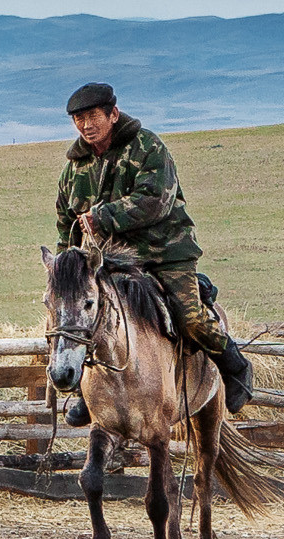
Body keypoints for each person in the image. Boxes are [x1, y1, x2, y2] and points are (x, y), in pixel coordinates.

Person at [53, 82, 254, 423]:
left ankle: (234, 366)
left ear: (113, 115)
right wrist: (66, 267)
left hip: (163, 253)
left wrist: (101, 216)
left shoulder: (147, 147)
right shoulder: (75, 168)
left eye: (92, 116)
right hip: (110, 261)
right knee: (86, 318)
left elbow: (154, 201)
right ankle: (90, 393)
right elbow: (65, 220)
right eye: (78, 119)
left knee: (189, 316)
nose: (85, 125)